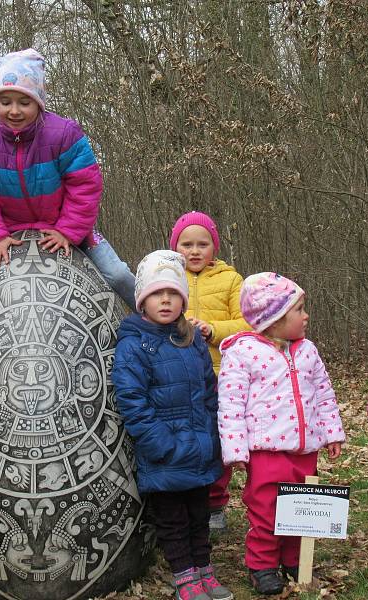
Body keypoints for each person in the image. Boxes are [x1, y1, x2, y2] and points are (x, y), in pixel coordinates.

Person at [0, 48, 135, 308]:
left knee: (118, 275)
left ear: (38, 102)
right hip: (7, 229)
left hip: (68, 228)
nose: (14, 111)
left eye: (24, 102)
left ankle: (164, 328)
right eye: (5, 102)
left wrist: (68, 231)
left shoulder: (64, 135)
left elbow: (85, 186)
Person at [113, 250, 233, 600]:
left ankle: (205, 571)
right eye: (156, 294)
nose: (165, 300)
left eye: (173, 294)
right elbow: (133, 401)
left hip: (199, 449)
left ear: (183, 298)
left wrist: (212, 437)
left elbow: (209, 392)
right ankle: (185, 577)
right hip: (164, 453)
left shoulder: (192, 339)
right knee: (173, 521)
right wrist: (161, 444)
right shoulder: (134, 344)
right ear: (142, 300)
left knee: (199, 515)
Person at [218, 272, 345, 595]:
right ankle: (261, 564)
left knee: (300, 507)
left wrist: (332, 432)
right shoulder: (243, 353)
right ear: (273, 319)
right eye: (299, 310)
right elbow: (230, 404)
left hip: (305, 450)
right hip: (266, 450)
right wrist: (236, 450)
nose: (306, 316)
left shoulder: (308, 351)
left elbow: (323, 392)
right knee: (266, 509)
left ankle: (293, 560)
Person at [169, 211, 250, 533]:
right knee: (184, 440)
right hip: (176, 376)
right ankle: (183, 501)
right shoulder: (169, 277)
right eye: (186, 244)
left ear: (214, 247)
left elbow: (249, 322)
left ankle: (215, 503)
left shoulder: (231, 280)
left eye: (203, 244)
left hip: (222, 376)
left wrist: (213, 329)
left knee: (217, 442)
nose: (194, 251)